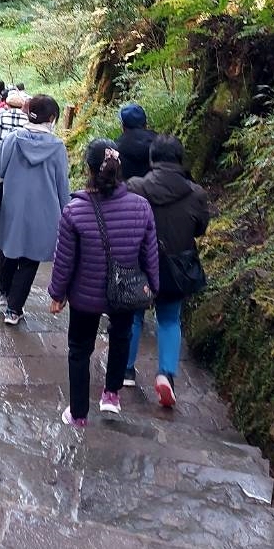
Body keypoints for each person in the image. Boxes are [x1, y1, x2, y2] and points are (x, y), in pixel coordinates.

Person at [48, 139, 159, 428]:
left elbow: (64, 260)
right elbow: (149, 254)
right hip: (126, 290)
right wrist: (153, 287)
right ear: (119, 168)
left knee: (79, 349)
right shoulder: (141, 207)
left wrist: (57, 293)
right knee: (121, 336)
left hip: (85, 295)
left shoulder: (74, 211)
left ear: (88, 169)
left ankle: (78, 414)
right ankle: (111, 395)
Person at [125, 135, 209, 407]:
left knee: (134, 317)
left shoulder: (135, 187)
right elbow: (200, 229)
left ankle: (126, 371)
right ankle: (166, 375)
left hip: (139, 263)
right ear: (180, 159)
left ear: (152, 158)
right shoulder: (196, 193)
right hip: (176, 267)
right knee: (170, 320)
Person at [0, 94, 69, 325]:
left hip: (13, 207)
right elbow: (62, 185)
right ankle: (14, 309)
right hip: (44, 212)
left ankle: (4, 294)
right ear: (52, 118)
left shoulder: (13, 139)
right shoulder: (57, 147)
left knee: (9, 249)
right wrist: (67, 213)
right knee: (30, 259)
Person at [112, 103, 159, 182]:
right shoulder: (160, 142)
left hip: (128, 189)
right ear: (145, 124)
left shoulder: (115, 149)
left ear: (123, 126)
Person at [0, 87, 29, 166]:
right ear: (22, 106)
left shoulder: (1, 117)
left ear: (7, 105)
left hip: (0, 159)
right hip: (17, 162)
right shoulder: (27, 120)